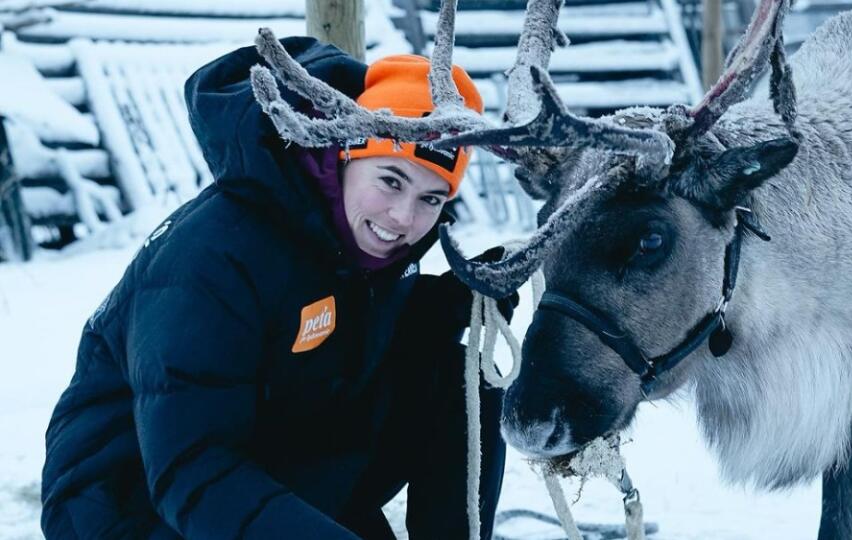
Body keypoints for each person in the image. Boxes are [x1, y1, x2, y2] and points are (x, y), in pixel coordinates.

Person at [40, 37, 516, 539]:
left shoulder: (349, 236)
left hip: (267, 462)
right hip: (127, 505)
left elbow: (329, 329)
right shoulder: (213, 259)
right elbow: (193, 467)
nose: (403, 218)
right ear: (345, 155)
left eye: (431, 198)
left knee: (462, 381)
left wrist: (449, 304)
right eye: (391, 180)